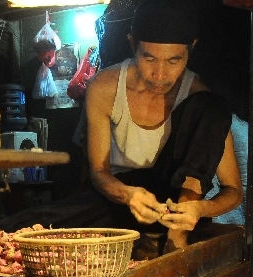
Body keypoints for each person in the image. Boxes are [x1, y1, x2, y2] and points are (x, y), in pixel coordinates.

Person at [85, 0, 242, 254]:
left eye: (173, 61)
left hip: (179, 205)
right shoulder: (104, 88)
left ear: (191, 49)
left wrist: (199, 210)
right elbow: (98, 172)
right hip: (123, 200)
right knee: (26, 225)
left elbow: (233, 191)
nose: (160, 74)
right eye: (149, 58)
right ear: (132, 44)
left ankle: (175, 236)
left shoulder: (200, 100)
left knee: (211, 105)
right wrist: (127, 195)